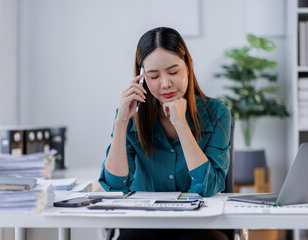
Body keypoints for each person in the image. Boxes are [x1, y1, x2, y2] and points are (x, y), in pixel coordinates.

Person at [99, 27, 231, 240]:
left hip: (199, 227)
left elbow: (208, 186)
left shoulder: (216, 113)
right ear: (141, 77)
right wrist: (121, 121)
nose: (165, 83)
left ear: (188, 66)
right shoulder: (132, 115)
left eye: (173, 72)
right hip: (144, 226)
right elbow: (115, 186)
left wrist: (181, 124)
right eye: (153, 76)